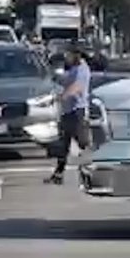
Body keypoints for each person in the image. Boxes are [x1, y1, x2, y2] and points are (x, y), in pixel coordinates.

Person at [46, 44, 91, 185]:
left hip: (77, 111)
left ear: (76, 55)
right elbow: (65, 80)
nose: (66, 58)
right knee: (63, 145)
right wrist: (55, 78)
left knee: (83, 144)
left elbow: (76, 88)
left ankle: (92, 171)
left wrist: (62, 97)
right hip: (68, 112)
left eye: (68, 55)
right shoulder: (73, 69)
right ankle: (58, 174)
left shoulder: (82, 69)